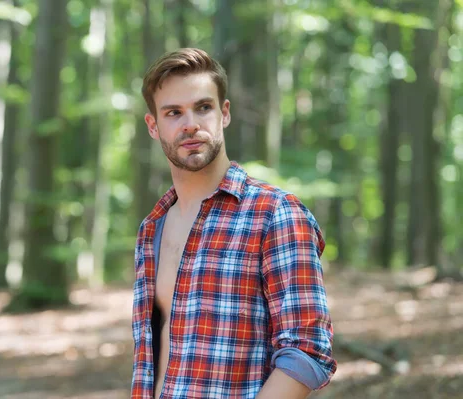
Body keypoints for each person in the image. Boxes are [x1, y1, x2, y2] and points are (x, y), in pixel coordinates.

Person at [131, 48, 337, 399]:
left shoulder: (276, 213)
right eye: (173, 113)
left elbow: (308, 351)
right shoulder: (153, 228)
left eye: (203, 107)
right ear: (153, 126)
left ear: (224, 113)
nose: (191, 123)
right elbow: (155, 362)